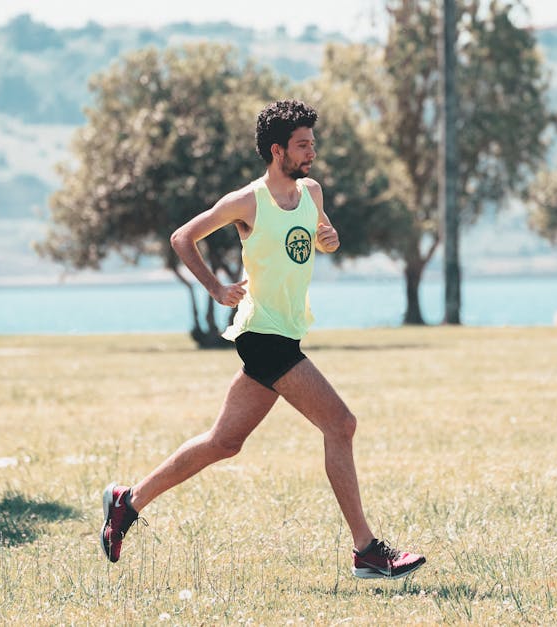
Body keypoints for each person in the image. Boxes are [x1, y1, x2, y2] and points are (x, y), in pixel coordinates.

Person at [100, 99, 425, 580]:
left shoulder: (311, 192)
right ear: (278, 151)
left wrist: (327, 238)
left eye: (312, 143)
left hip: (286, 330)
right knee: (341, 424)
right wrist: (215, 288)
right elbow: (182, 238)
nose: (311, 152)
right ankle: (367, 551)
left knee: (223, 442)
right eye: (302, 145)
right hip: (262, 334)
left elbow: (315, 237)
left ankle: (128, 501)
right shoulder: (247, 202)